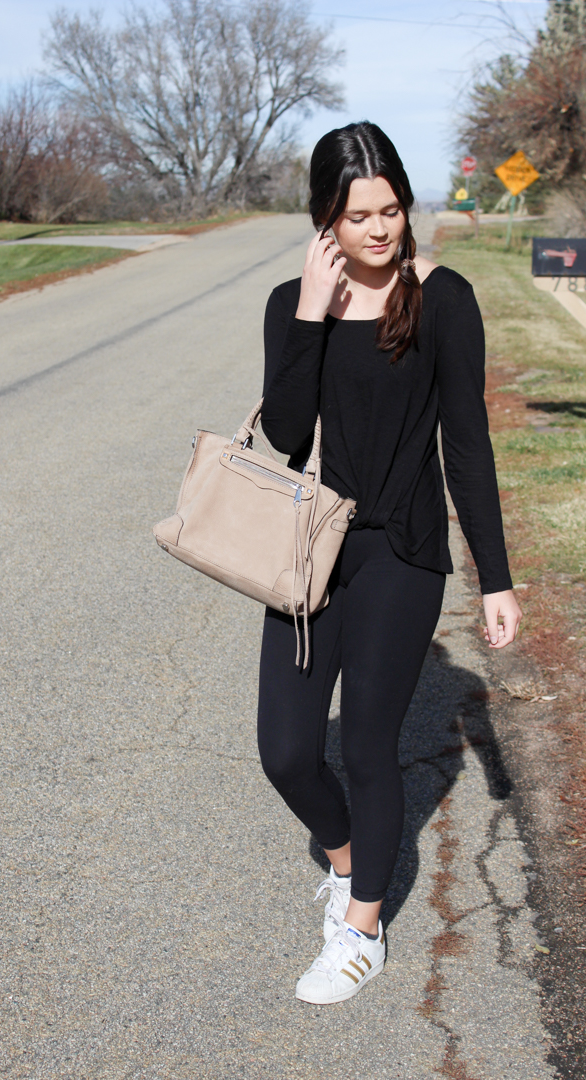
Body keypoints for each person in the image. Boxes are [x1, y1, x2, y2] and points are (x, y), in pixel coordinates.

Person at [257, 121, 522, 1005]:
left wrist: (495, 577)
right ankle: (347, 863)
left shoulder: (443, 299)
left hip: (401, 553)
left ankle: (362, 931)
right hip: (311, 549)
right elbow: (285, 434)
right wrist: (310, 311)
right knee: (287, 752)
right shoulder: (293, 301)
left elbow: (468, 445)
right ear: (325, 220)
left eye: (391, 211)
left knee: (369, 746)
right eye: (357, 215)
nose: (378, 230)